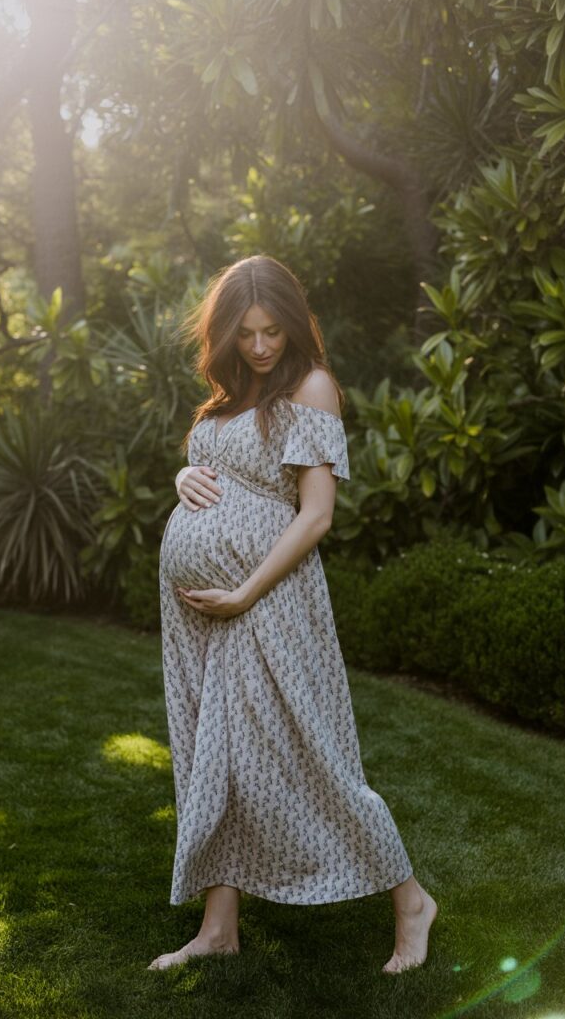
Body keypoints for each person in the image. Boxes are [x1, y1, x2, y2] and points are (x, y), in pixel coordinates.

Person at [149, 254, 437, 974]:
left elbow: (314, 518)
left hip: (270, 602)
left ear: (292, 323)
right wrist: (183, 472)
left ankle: (410, 899)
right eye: (244, 333)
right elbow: (213, 472)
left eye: (272, 330)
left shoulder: (311, 387)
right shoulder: (231, 393)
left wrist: (246, 590)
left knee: (311, 760)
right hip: (199, 613)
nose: (259, 346)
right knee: (216, 757)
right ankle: (219, 927)